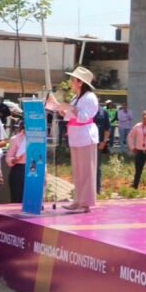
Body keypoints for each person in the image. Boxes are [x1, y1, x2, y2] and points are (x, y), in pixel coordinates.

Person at [56, 68, 100, 213]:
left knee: (86, 171)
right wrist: (63, 111)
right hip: (76, 136)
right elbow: (71, 116)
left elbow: (84, 117)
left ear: (80, 82)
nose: (71, 82)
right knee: (78, 170)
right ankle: (78, 200)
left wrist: (71, 109)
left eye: (73, 79)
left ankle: (85, 203)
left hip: (86, 136)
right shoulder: (77, 97)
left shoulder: (90, 97)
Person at [5, 121, 27, 204]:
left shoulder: (40, 139)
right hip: (19, 170)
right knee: (17, 199)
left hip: (35, 170)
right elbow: (8, 158)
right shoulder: (15, 138)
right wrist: (14, 160)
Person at [93, 102, 112, 193]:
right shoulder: (87, 110)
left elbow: (107, 128)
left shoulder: (103, 112)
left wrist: (104, 142)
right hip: (86, 143)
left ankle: (98, 189)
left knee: (97, 167)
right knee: (85, 167)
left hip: (98, 143)